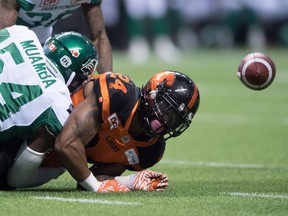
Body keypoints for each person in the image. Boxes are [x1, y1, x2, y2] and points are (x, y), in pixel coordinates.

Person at [7, 69, 200, 192]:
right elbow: (66, 143)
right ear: (152, 94)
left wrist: (131, 182)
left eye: (174, 119)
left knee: (7, 182)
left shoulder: (150, 151)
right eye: (166, 109)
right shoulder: (119, 94)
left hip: (50, 163)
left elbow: (89, 179)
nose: (165, 121)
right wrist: (96, 188)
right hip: (28, 126)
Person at [0, 25, 129, 192]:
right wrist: (58, 169)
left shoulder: (21, 33)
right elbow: (16, 177)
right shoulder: (57, 102)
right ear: (80, 76)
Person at [0, 0, 112, 74]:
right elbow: (3, 38)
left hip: (41, 42)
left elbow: (99, 37)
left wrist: (109, 82)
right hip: (9, 39)